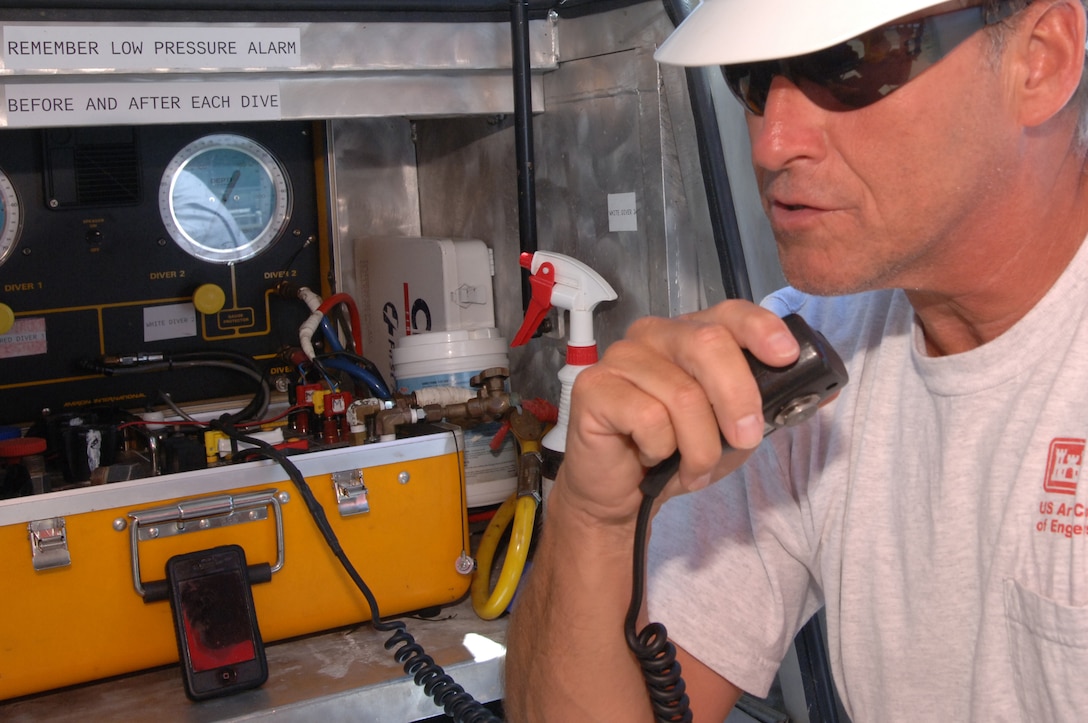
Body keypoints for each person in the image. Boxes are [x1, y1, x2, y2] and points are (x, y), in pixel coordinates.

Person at [505, 0, 1088, 720]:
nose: (771, 144)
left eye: (849, 63)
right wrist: (591, 520)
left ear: (1041, 60)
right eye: (750, 77)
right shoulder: (793, 355)